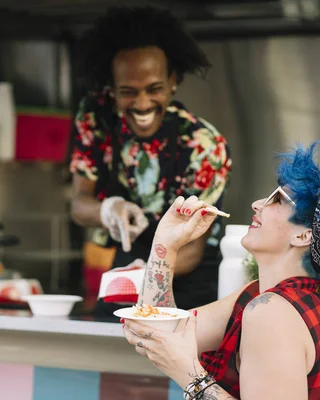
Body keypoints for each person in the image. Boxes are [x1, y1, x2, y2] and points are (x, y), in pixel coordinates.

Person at [122, 143, 320, 399]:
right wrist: (166, 244)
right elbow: (153, 333)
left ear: (305, 235)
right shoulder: (258, 296)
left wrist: (190, 376)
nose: (257, 204)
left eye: (277, 200)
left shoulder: (273, 314)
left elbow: (168, 351)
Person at [69, 6, 232, 319]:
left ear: (173, 80)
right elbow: (79, 204)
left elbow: (194, 248)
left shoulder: (204, 145)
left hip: (188, 275)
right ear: (112, 90)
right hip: (128, 267)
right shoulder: (97, 120)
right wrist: (108, 210)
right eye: (128, 92)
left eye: (153, 89)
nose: (142, 104)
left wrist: (150, 271)